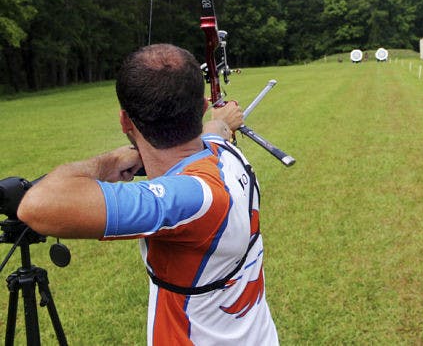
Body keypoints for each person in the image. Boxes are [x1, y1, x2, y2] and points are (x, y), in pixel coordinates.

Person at [17, 43, 279, 345]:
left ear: (125, 121)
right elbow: (215, 131)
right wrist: (222, 121)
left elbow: (37, 205)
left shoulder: (187, 200)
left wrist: (112, 162)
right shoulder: (225, 153)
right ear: (203, 107)